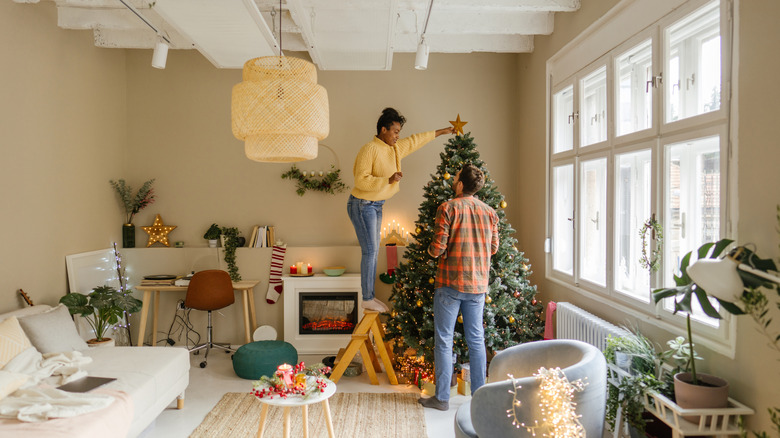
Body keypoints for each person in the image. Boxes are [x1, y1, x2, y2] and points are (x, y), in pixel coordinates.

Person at [348, 107, 454, 312]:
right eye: (395, 131)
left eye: (399, 132)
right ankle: (367, 297)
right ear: (383, 129)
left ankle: (369, 296)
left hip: (375, 205)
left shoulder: (394, 148)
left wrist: (441, 132)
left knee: (372, 251)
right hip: (362, 204)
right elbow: (360, 180)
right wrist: (387, 180)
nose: (398, 136)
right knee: (370, 252)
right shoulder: (370, 148)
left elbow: (415, 140)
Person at [418, 163, 499, 411]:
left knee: (444, 340)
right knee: (476, 340)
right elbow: (493, 248)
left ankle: (442, 398)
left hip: (450, 284)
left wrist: (431, 251)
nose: (453, 181)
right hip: (477, 285)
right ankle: (479, 399)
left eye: (455, 179)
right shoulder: (490, 213)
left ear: (461, 184)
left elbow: (438, 248)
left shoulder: (448, 208)